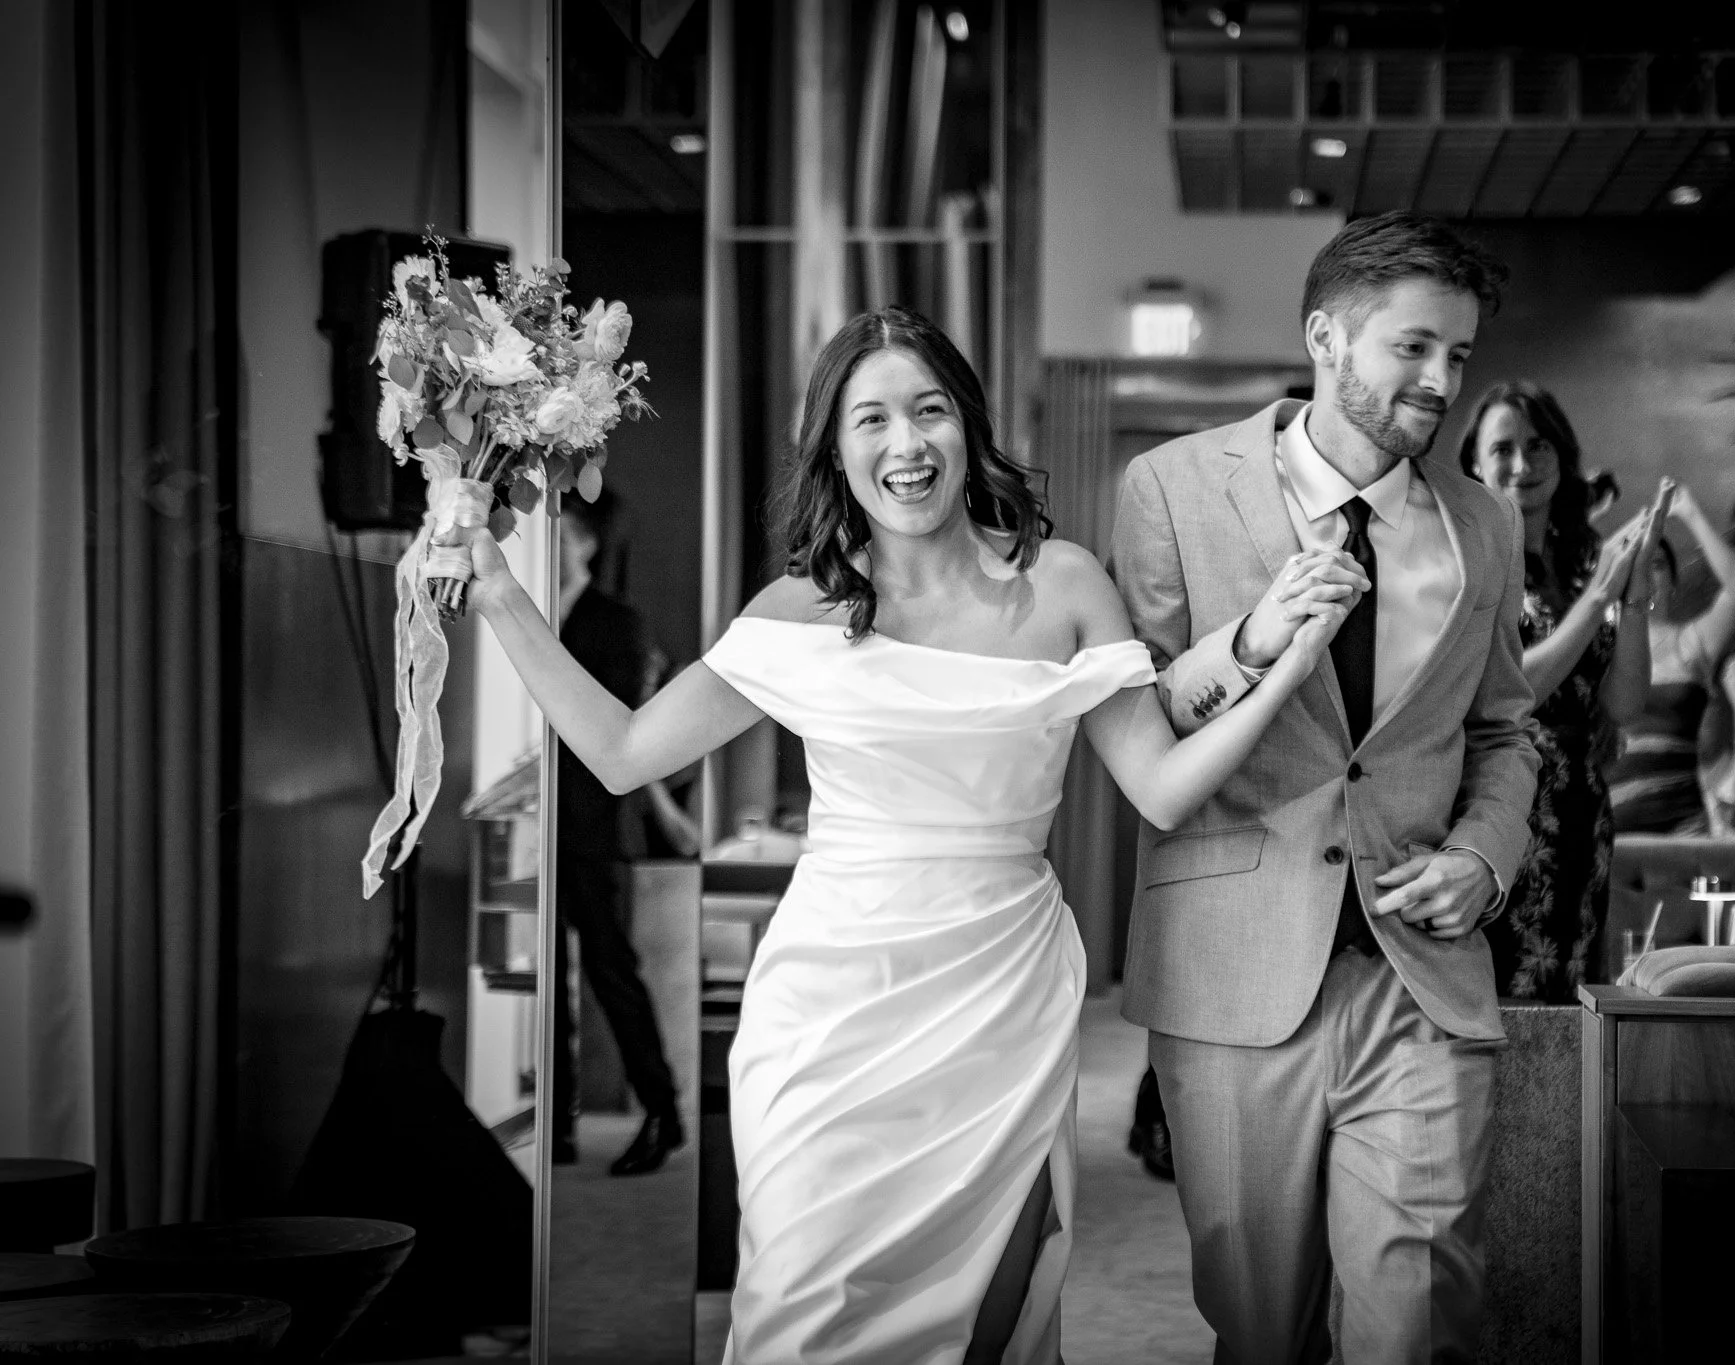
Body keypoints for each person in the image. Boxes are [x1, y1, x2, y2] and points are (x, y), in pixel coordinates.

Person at [456, 306, 1355, 1363]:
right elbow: (621, 751)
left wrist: (1286, 665)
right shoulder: (799, 611)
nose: (906, 443)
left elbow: (1160, 787)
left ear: (967, 426)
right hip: (829, 1007)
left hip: (998, 995)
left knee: (984, 1306)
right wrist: (502, 597)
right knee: (804, 1300)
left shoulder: (1063, 585)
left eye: (929, 411)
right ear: (834, 450)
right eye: (871, 419)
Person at [1111, 211, 1539, 1362]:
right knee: (1261, 1330)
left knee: (1416, 1320)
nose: (1440, 380)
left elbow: (1504, 730)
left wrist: (1484, 855)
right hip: (1231, 975)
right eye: (1412, 347)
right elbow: (1139, 719)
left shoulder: (1480, 523)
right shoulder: (1168, 488)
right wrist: (1253, 640)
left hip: (1418, 979)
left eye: (1457, 354)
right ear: (1324, 339)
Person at [1458, 383, 1658, 1000]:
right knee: (1502, 998)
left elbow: (1623, 706)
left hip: (1582, 810)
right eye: (1503, 449)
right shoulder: (1468, 561)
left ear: (1562, 455)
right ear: (1474, 464)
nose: (1523, 464)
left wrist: (1634, 599)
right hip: (1504, 806)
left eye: (1539, 445)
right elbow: (1510, 690)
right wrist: (1599, 597)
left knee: (1573, 1000)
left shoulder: (1580, 562)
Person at [551, 492, 689, 1176]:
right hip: (538, 824)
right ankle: (556, 1124)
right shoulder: (537, 617)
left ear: (584, 542)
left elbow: (628, 731)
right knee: (547, 975)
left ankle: (662, 1110)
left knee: (610, 971)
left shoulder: (618, 623)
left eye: (560, 532)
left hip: (594, 825)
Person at [1607, 486, 1735, 833]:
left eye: (1657, 564)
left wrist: (1691, 513)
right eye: (1635, 564)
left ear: (1673, 582)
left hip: (1684, 823)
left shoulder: (1689, 642)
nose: (1645, 574)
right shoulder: (1600, 647)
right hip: (1613, 825)